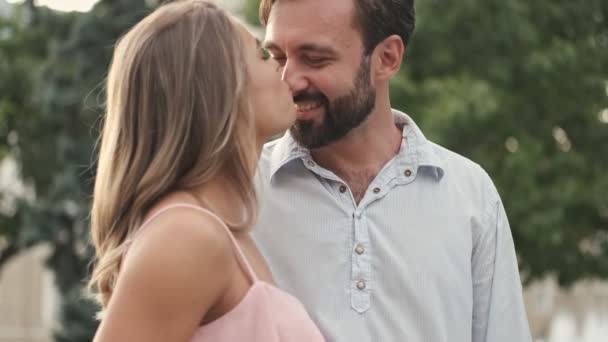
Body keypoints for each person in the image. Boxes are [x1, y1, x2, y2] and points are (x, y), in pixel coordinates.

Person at [252, 0, 533, 341]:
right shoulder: (239, 190)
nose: (289, 81)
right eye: (277, 56)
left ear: (387, 58)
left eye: (314, 59)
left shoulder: (471, 195)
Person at [88, 1, 325, 341]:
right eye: (260, 55)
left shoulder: (226, 231)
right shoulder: (187, 234)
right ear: (218, 88)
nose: (280, 67)